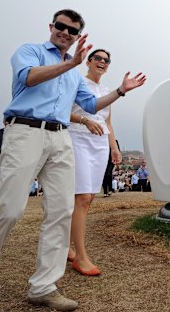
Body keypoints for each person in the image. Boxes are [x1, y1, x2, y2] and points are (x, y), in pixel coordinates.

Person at [0, 9, 146, 311]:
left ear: (77, 36)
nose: (65, 32)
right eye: (61, 26)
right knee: (9, 210)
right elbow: (29, 78)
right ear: (52, 26)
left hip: (61, 138)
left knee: (62, 211)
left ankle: (44, 286)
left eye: (72, 30)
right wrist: (71, 64)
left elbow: (91, 105)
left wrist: (120, 91)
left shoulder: (74, 74)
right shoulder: (31, 51)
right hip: (26, 131)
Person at [67, 49, 122, 277]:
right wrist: (84, 120)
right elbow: (61, 110)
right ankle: (80, 256)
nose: (102, 62)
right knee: (83, 197)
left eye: (106, 60)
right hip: (77, 136)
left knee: (88, 198)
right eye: (97, 58)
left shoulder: (107, 91)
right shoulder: (77, 82)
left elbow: (107, 122)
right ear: (88, 62)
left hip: (99, 143)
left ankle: (67, 247)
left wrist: (114, 147)